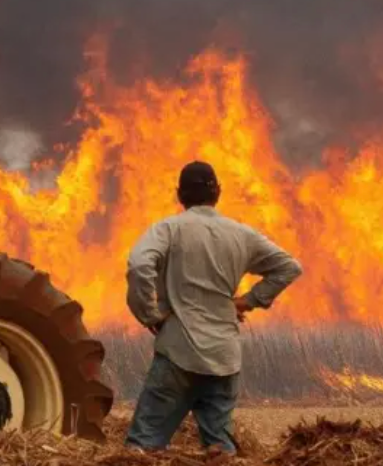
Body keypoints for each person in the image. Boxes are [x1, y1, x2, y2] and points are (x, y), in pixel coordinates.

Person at [124, 160, 303, 454]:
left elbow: (140, 264)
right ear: (218, 192)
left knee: (142, 446)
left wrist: (149, 314)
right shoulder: (242, 234)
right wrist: (248, 300)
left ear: (179, 195)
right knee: (219, 448)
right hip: (224, 357)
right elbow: (289, 267)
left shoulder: (168, 229)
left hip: (178, 353)